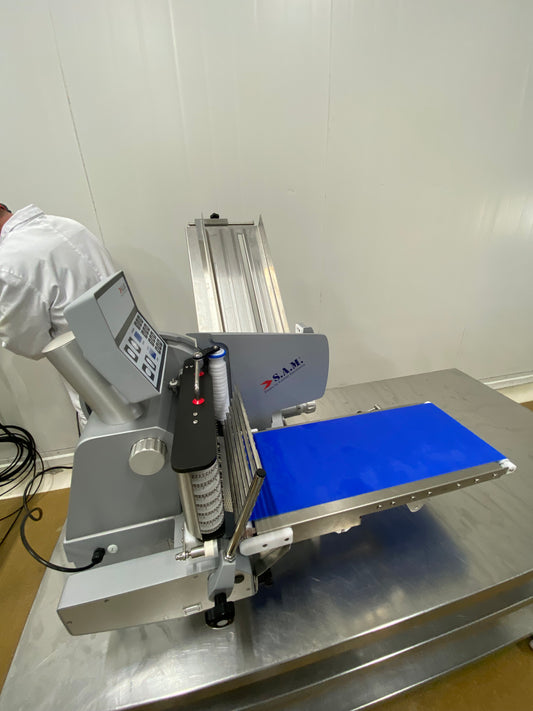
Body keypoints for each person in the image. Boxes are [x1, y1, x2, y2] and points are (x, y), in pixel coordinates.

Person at [0, 202, 117, 425]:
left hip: (95, 380)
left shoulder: (8, 264)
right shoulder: (68, 225)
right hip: (132, 353)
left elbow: (29, 344)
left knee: (108, 434)